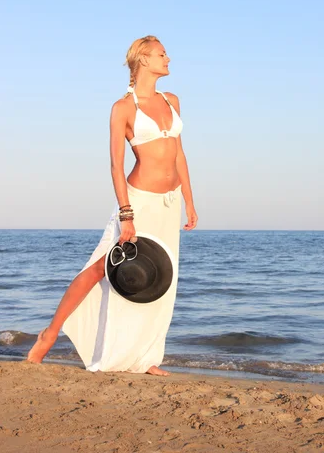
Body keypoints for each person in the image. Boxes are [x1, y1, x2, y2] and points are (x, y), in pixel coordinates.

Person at [27, 35, 198, 375]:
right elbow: (115, 166)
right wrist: (127, 215)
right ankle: (49, 334)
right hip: (138, 201)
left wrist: (189, 203)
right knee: (100, 266)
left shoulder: (172, 100)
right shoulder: (123, 108)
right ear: (143, 60)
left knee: (159, 278)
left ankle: (146, 357)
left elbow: (179, 154)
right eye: (162, 54)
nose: (169, 59)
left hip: (169, 203)